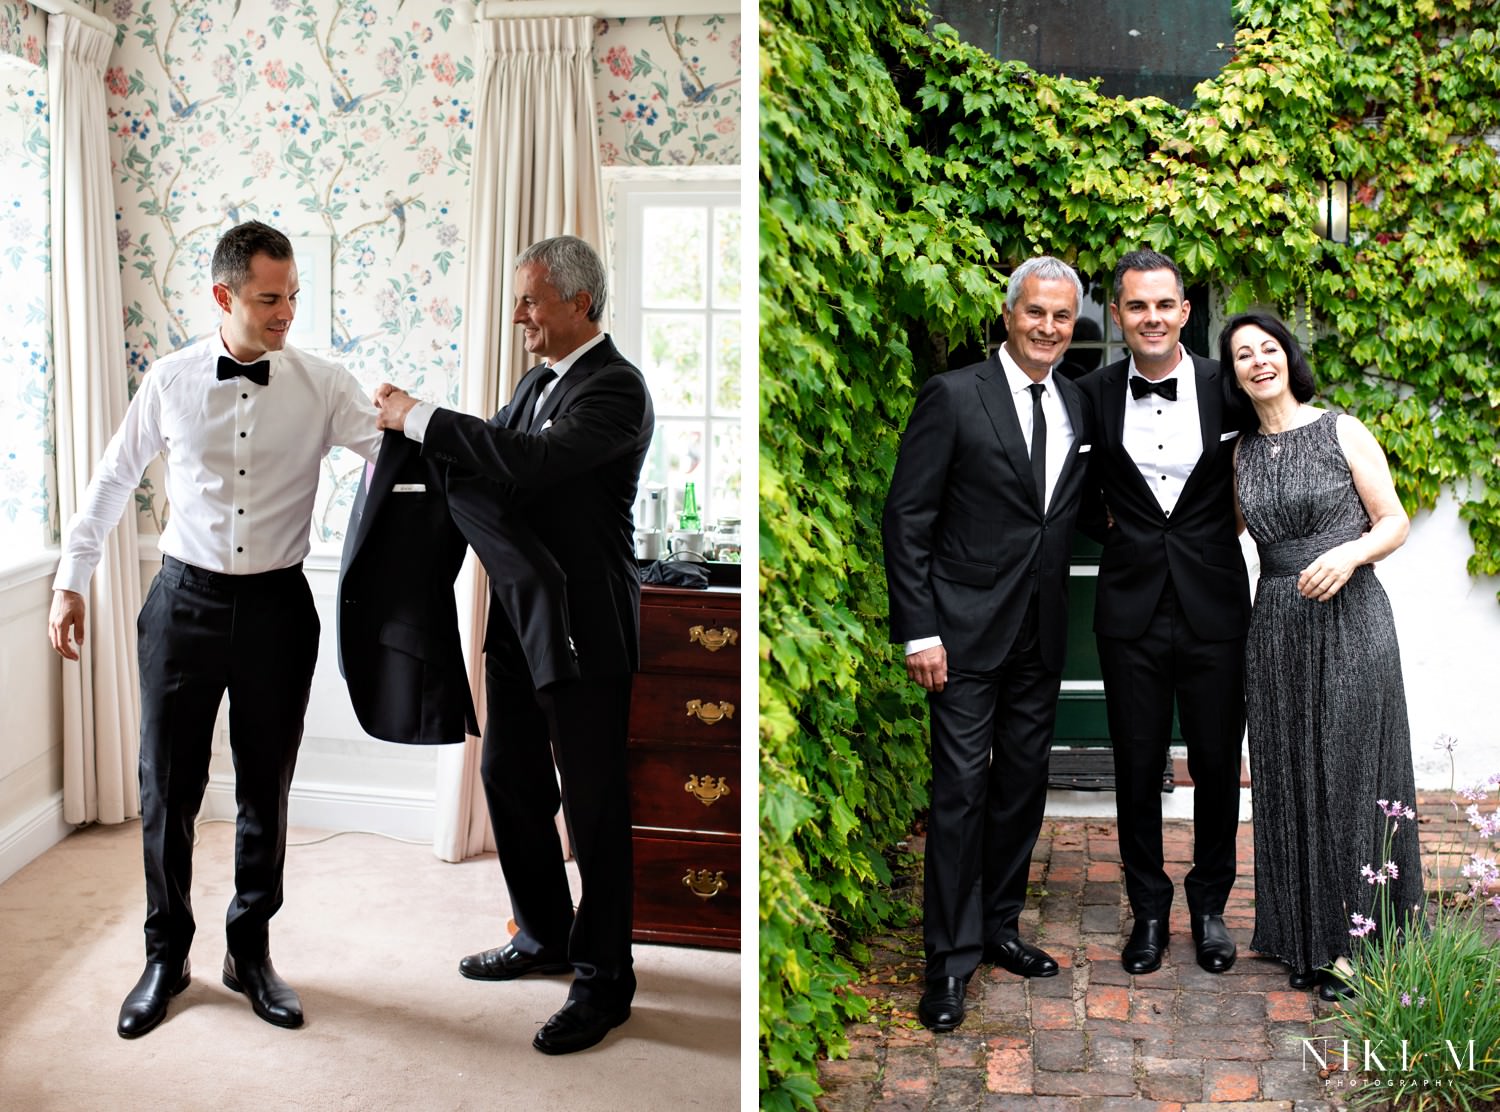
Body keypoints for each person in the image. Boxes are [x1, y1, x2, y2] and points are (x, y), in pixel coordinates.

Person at [47, 220, 382, 1038]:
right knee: (167, 788)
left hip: (277, 608)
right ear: (223, 295)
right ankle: (166, 956)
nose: (287, 313)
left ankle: (250, 951)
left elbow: (401, 457)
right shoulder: (168, 381)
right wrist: (70, 580)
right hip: (181, 604)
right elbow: (110, 481)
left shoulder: (323, 383)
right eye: (270, 298)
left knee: (266, 787)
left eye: (294, 295)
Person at [371, 234, 654, 1055]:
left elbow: (525, 464)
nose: (519, 313)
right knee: (507, 778)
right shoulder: (536, 382)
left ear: (580, 303)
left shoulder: (619, 391)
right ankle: (545, 936)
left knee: (597, 809)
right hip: (519, 623)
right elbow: (486, 466)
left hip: (587, 627)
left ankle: (607, 982)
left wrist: (421, 416)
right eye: (520, 297)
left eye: (532, 299)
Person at [882, 255, 1093, 1032]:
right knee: (961, 792)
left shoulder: (1077, 403)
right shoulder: (953, 395)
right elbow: (907, 519)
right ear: (1008, 316)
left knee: (1020, 788)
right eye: (1035, 312)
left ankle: (1000, 926)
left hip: (1040, 631)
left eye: (1062, 317)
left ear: (1075, 325)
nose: (1047, 328)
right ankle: (948, 960)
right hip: (961, 637)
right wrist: (921, 631)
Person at [1222, 311, 1422, 1000]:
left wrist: (1349, 551)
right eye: (1242, 354)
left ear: (1288, 356)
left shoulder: (1342, 429)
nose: (1257, 361)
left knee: (1350, 772)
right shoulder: (1240, 453)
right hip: (1275, 623)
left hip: (1352, 614)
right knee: (1288, 776)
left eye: (1267, 348)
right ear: (1235, 374)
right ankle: (1303, 938)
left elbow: (1393, 519)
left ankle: (1361, 946)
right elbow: (1216, 536)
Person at [1076, 249, 1250, 977]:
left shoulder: (1229, 389)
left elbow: (1260, 472)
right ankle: (1148, 909)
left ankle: (1209, 907)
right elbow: (1068, 485)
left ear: (1185, 311)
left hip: (1214, 604)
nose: (1151, 317)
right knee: (1137, 765)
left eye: (1164, 304)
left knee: (1215, 764)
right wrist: (1113, 528)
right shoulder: (1089, 392)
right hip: (1130, 610)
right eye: (1136, 305)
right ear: (1118, 315)